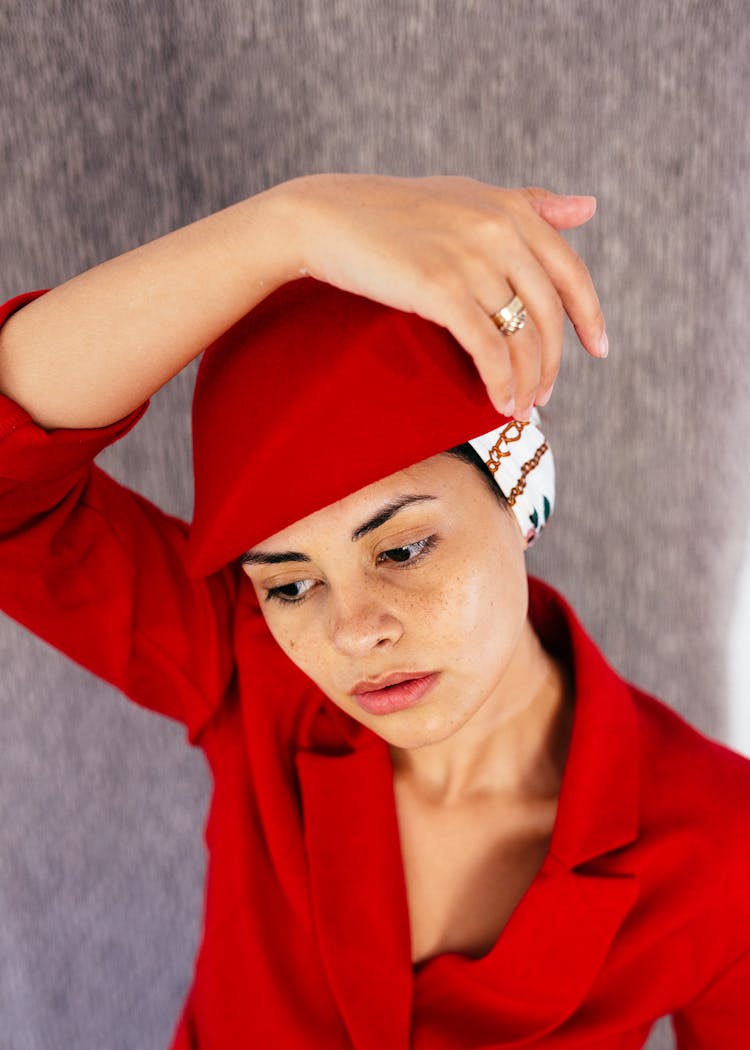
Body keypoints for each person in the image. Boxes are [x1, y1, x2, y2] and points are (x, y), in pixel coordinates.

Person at [0, 174, 748, 1049]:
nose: (354, 632)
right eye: (288, 583)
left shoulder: (720, 845)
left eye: (400, 550)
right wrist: (288, 226)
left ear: (524, 497)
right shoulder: (248, 664)